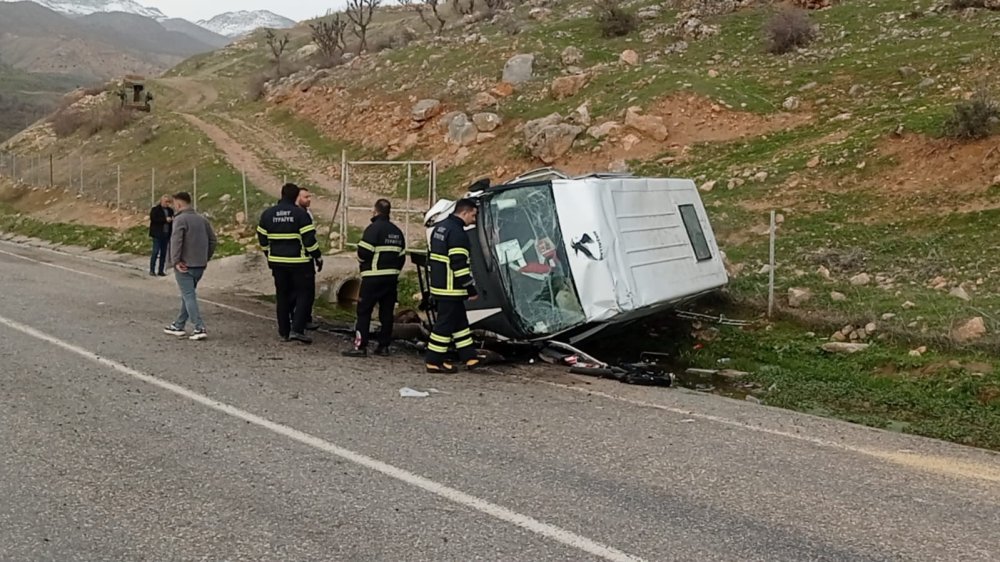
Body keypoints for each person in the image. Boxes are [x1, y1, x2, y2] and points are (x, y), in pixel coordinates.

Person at [258, 183, 323, 344]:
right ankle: (297, 330)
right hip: (299, 262)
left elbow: (262, 237)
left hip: (277, 263)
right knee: (304, 294)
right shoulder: (301, 215)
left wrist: (269, 254)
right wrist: (317, 256)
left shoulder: (268, 214)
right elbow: (309, 240)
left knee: (282, 295)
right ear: (296, 196)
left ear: (281, 194)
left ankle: (284, 330)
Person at [343, 199, 406, 358]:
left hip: (372, 278)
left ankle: (360, 347)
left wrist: (364, 265)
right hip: (391, 279)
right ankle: (383, 347)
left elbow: (364, 253)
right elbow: (402, 257)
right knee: (386, 313)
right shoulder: (397, 231)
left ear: (375, 211)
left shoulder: (373, 229)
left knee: (364, 311)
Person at [424, 198, 480, 374]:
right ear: (464, 212)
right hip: (451, 287)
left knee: (460, 323)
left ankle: (469, 357)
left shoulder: (440, 228)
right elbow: (458, 263)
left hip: (440, 285)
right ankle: (434, 361)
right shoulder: (458, 234)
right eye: (473, 214)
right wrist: (470, 287)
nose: (474, 219)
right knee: (444, 325)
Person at [163, 192, 217, 341]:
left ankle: (198, 327)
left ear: (179, 204)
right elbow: (213, 241)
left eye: (174, 204)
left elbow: (176, 242)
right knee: (188, 295)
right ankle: (178, 325)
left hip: (184, 265)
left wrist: (175, 261)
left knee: (188, 296)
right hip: (199, 264)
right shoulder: (202, 220)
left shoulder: (180, 220)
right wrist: (205, 257)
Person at [293, 187, 319, 332]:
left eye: (309, 197)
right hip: (300, 258)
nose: (308, 199)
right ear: (297, 198)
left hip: (307, 257)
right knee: (302, 291)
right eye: (305, 197)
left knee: (309, 291)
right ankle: (299, 321)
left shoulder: (308, 213)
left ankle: (305, 318)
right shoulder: (297, 214)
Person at [148, 195, 174, 276]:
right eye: (165, 201)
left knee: (163, 253)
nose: (167, 203)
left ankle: (161, 270)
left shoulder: (170, 211)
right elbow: (154, 219)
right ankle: (152, 270)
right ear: (161, 201)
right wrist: (165, 220)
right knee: (155, 252)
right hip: (157, 234)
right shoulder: (155, 210)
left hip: (166, 234)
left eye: (168, 202)